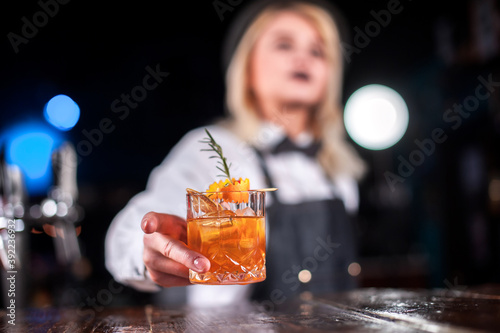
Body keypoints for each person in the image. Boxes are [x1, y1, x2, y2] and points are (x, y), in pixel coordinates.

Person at [105, 0, 366, 307]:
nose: (303, 58)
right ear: (247, 68)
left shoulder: (337, 167)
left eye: (318, 51)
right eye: (284, 45)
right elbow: (125, 236)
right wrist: (149, 247)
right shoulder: (215, 148)